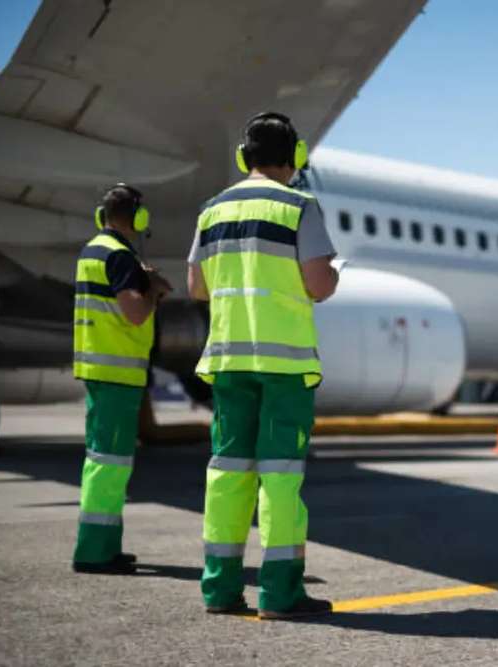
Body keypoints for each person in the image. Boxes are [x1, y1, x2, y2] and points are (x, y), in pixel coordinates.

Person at [187, 111, 339, 620]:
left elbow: (196, 287)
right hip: (284, 365)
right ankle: (280, 593)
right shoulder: (299, 206)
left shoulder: (212, 210)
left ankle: (219, 589)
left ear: (242, 157)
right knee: (280, 478)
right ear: (295, 156)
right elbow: (319, 284)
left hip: (229, 360)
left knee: (227, 474)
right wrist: (331, 276)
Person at [72, 184, 172, 574]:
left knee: (105, 461)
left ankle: (105, 546)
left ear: (102, 216)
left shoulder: (93, 250)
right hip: (118, 373)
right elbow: (134, 313)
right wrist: (155, 291)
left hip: (100, 369)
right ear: (138, 219)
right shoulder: (120, 256)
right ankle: (94, 553)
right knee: (109, 464)